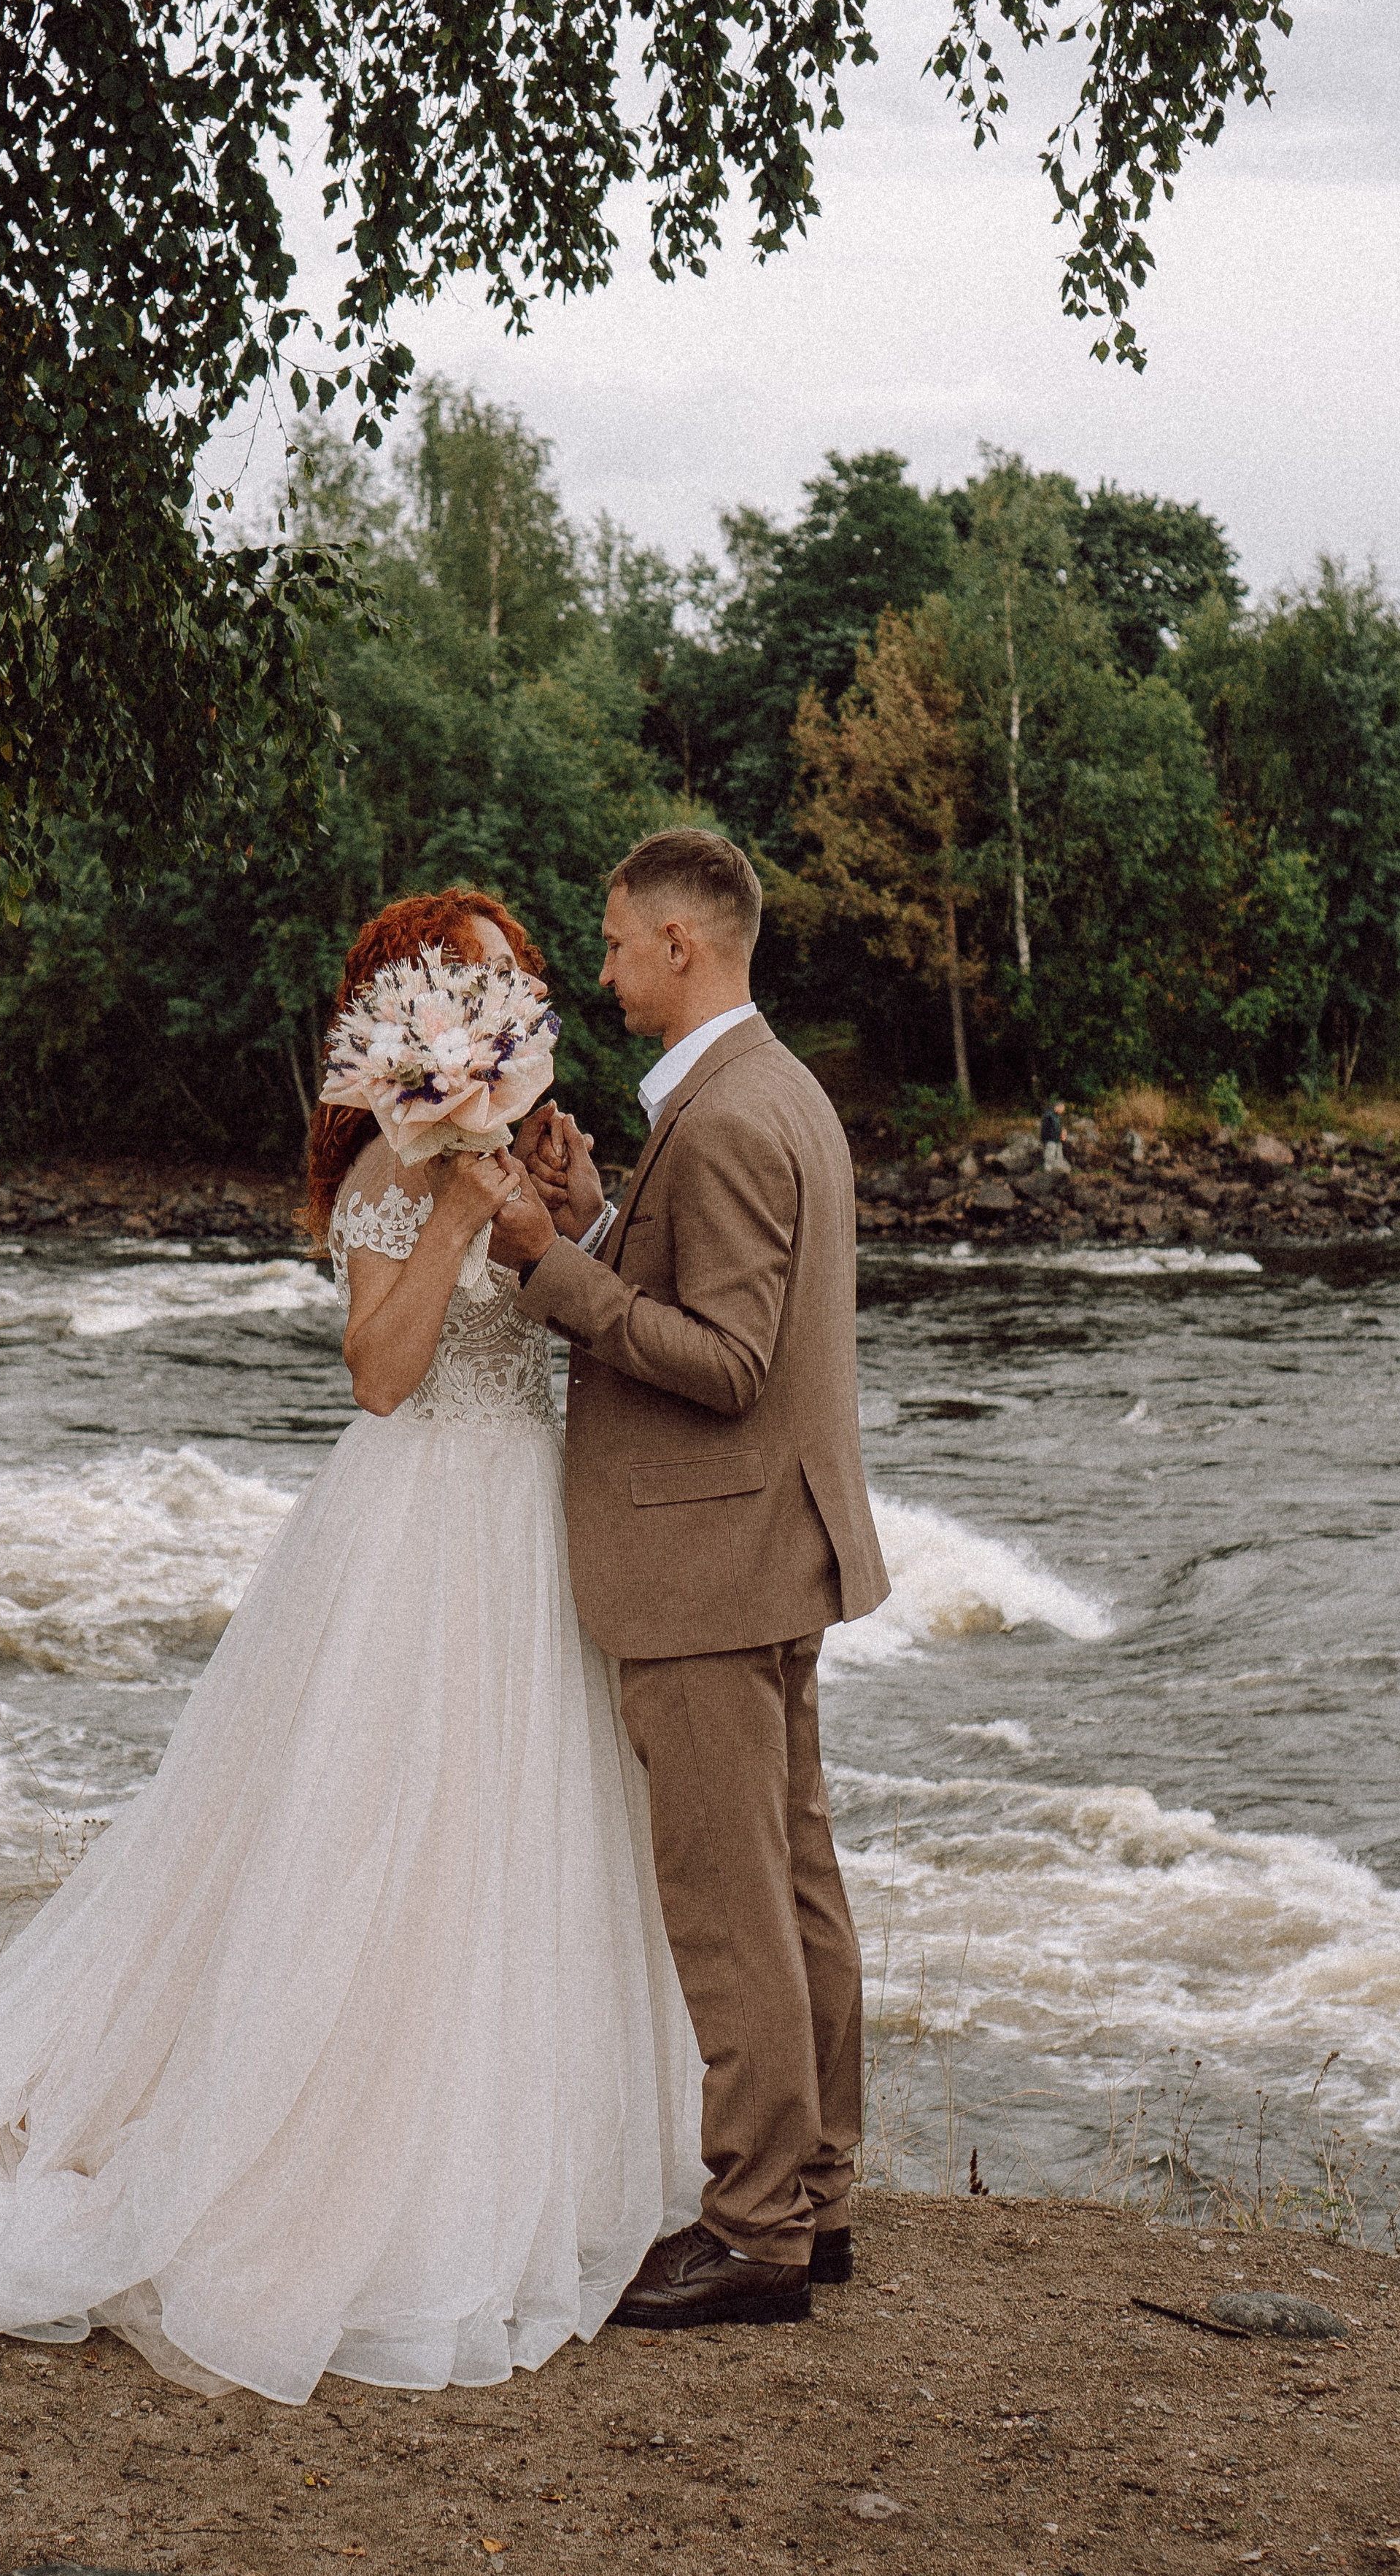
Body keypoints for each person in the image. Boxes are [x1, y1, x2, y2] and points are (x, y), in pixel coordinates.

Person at [0, 888, 704, 2405]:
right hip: (418, 1525)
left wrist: (570, 1204)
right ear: (416, 1016)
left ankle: (526, 2154)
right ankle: (347, 2169)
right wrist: (453, 1212)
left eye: (519, 987)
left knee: (528, 1835)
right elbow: (379, 1374)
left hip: (530, 1516)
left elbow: (573, 1310)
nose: (509, 1009)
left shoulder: (529, 1141)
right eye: (480, 987)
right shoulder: (385, 1166)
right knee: (383, 1836)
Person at [490, 829, 890, 2332]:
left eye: (612, 943)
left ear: (679, 943)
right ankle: (816, 2197)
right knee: (792, 1884)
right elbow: (726, 1304)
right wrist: (600, 1214)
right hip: (768, 1544)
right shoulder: (772, 1088)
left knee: (731, 1906)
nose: (599, 970)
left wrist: (549, 1262)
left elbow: (724, 1363)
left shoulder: (722, 1119)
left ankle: (754, 2228)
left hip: (707, 1560)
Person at [1040, 1098, 1067, 1173]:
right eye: (1063, 1109)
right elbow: (1045, 1129)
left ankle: (1059, 1171)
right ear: (1058, 1107)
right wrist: (1045, 1140)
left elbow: (1058, 1127)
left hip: (1057, 1139)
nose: (1063, 1111)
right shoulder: (1049, 1115)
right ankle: (1047, 1172)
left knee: (1059, 1156)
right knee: (1049, 1157)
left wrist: (1063, 1132)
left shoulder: (1057, 1116)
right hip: (1050, 1140)